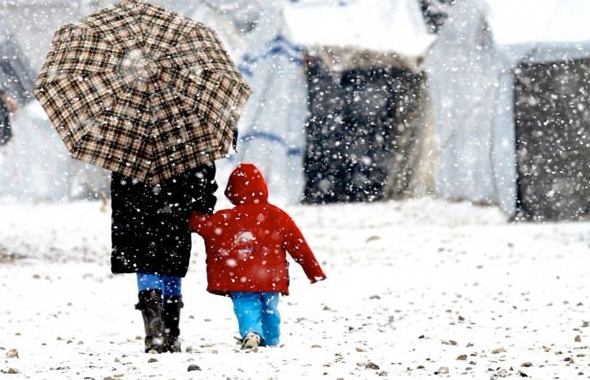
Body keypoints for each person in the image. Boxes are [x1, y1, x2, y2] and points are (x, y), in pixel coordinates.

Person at [189, 162, 326, 350]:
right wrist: (314, 271)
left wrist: (188, 213)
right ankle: (271, 340)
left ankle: (252, 333)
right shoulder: (278, 216)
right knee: (271, 309)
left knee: (246, 306)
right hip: (272, 277)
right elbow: (299, 246)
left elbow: (201, 225)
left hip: (240, 278)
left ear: (233, 191)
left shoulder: (226, 218)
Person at [110, 162, 217, 353]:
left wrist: (125, 211)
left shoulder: (129, 146)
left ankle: (154, 334)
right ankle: (171, 334)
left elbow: (120, 186)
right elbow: (204, 178)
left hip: (139, 215)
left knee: (147, 266)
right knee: (171, 268)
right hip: (176, 213)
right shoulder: (188, 141)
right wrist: (202, 205)